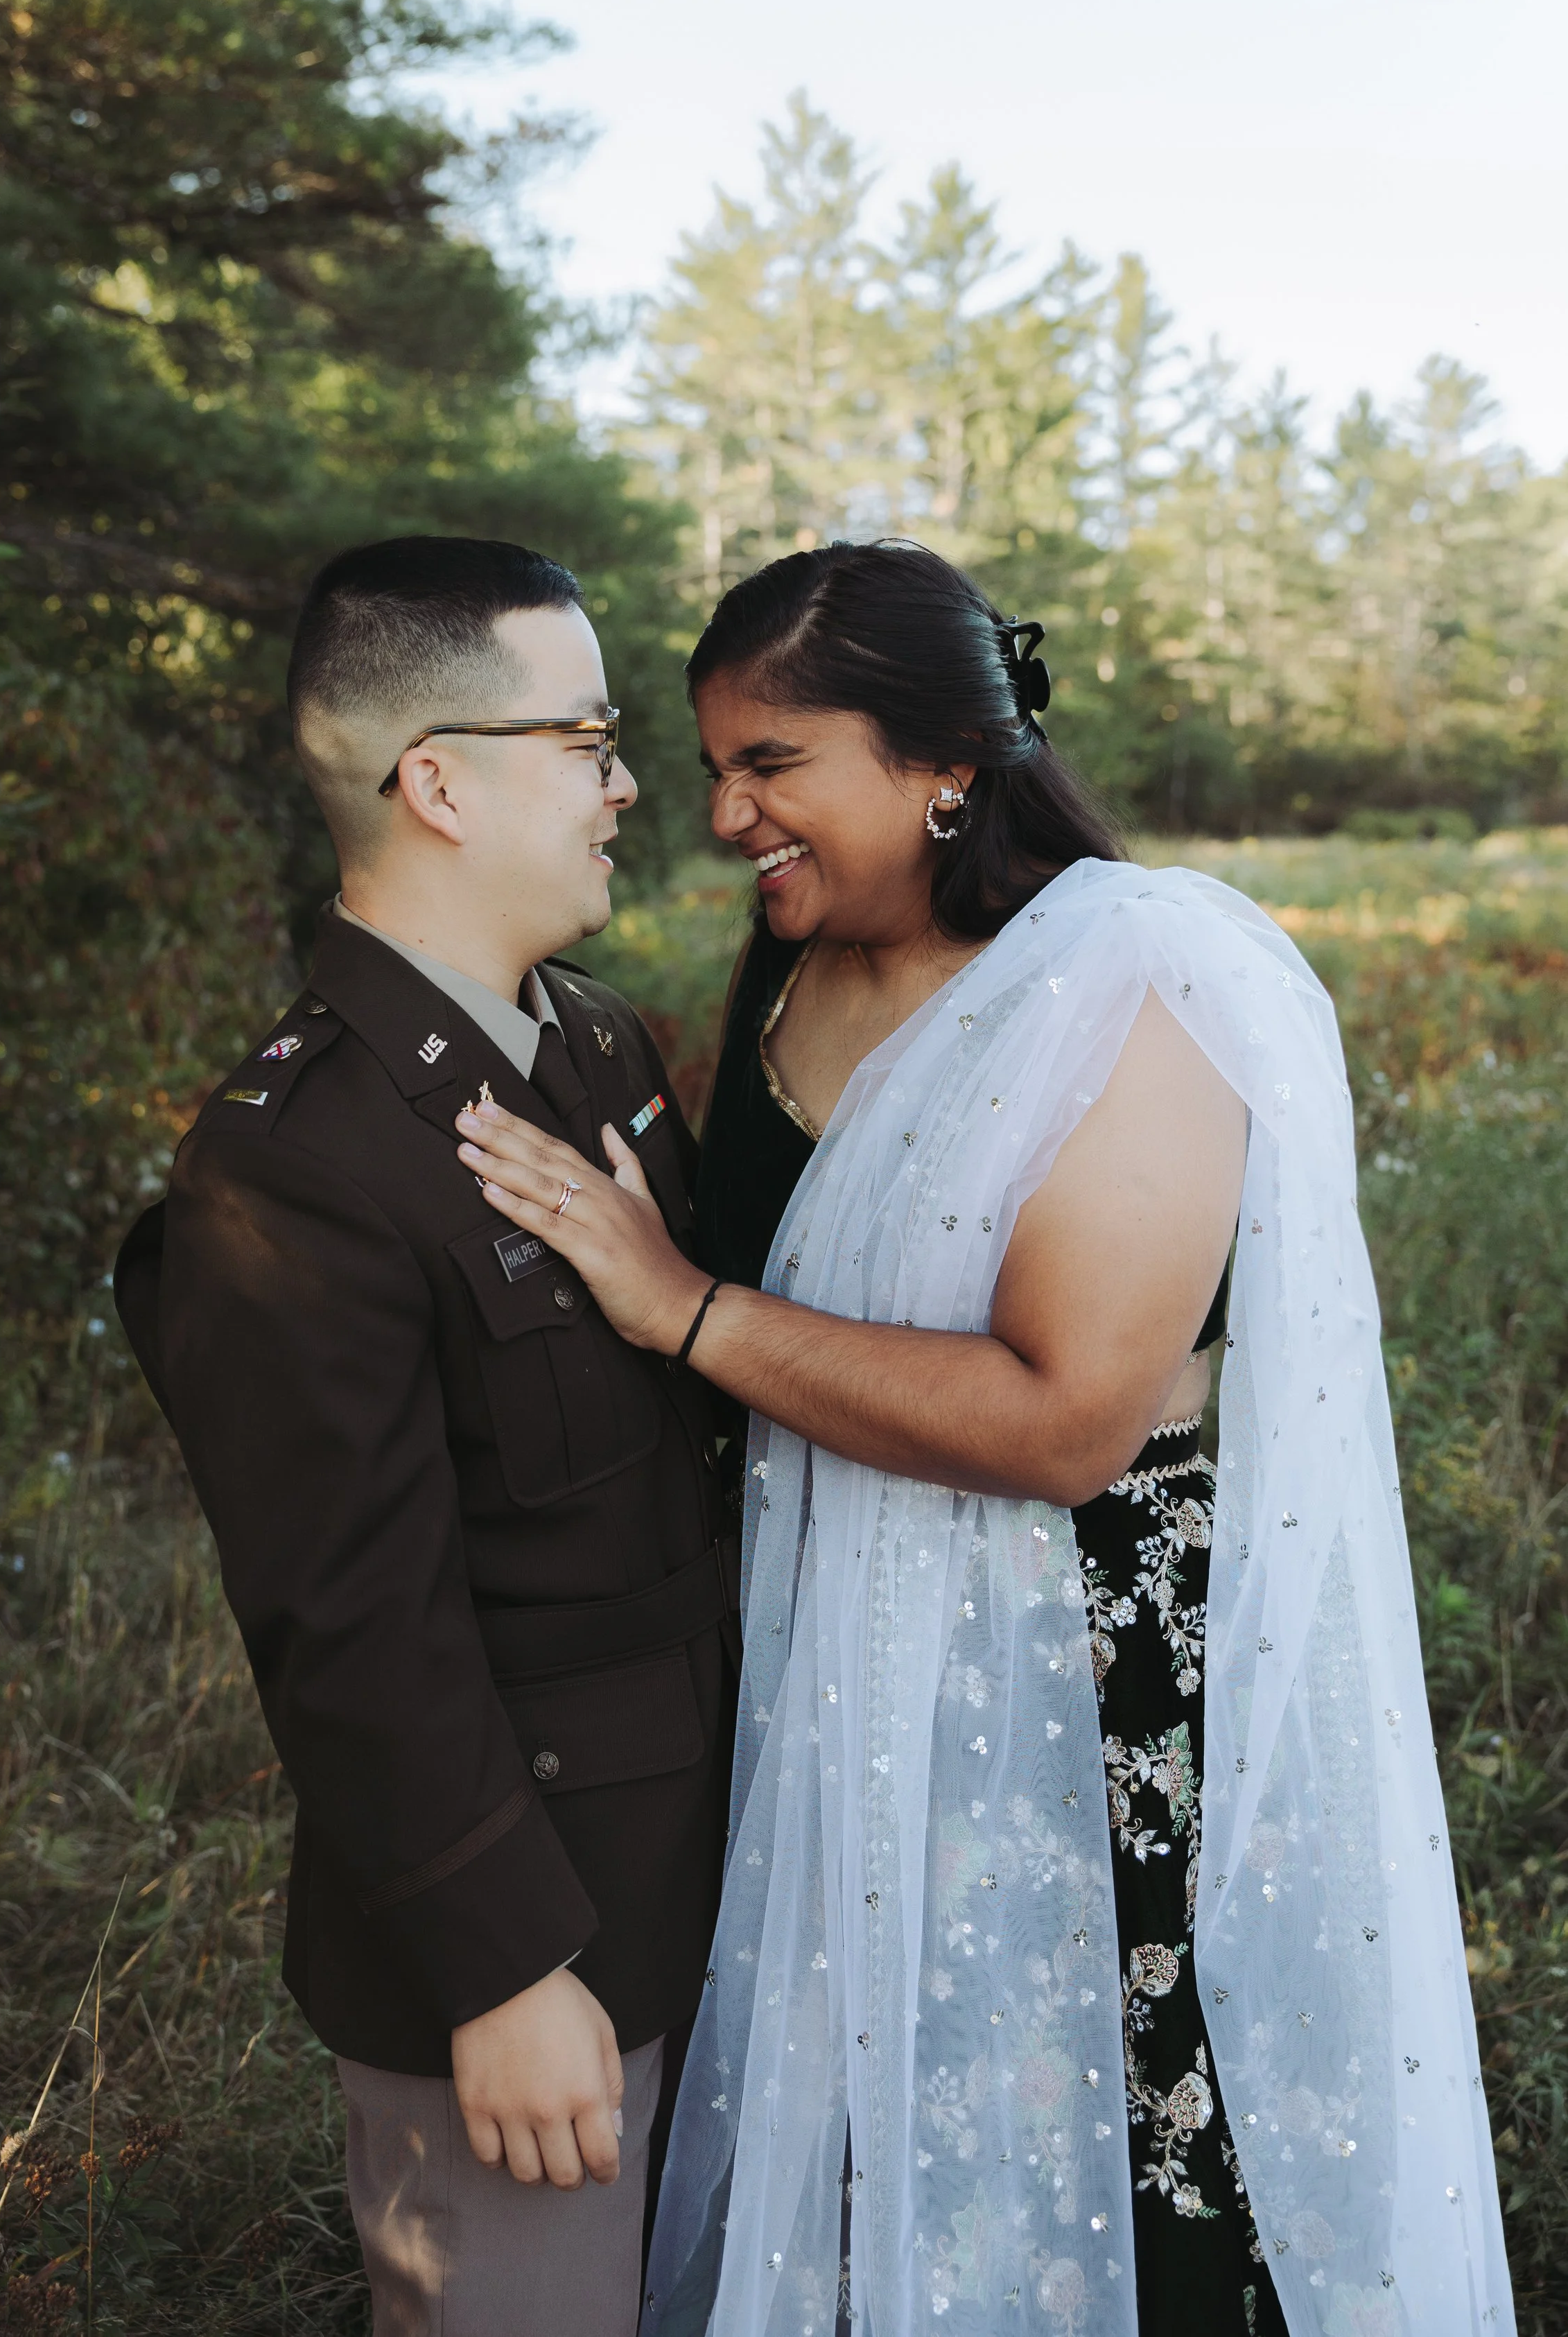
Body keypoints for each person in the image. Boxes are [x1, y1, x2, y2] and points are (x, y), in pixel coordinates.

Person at [452, 540, 1513, 2337]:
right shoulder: (782, 988)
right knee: (871, 2136)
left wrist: (676, 1305)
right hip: (831, 1665)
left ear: (946, 759)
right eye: (711, 767)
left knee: (1095, 2130)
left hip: (1083, 1690)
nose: (722, 815)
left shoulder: (1128, 978)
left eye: (771, 763)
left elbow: (1062, 1417)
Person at [112, 536, 736, 2337]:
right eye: (587, 737)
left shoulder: (597, 1044)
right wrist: (503, 1963)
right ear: (437, 779)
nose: (626, 782)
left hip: (705, 1870)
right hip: (525, 1947)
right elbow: (348, 1619)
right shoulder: (295, 1156)